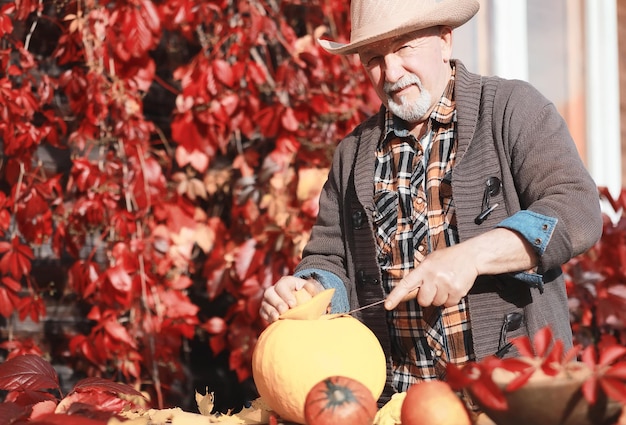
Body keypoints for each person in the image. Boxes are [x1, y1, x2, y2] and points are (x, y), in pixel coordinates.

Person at [259, 0, 603, 404]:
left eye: (404, 47)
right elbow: (329, 257)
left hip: (521, 401)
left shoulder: (512, 108)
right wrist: (307, 290)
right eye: (373, 58)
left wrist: (472, 256)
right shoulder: (352, 153)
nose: (390, 73)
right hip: (397, 407)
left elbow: (576, 208)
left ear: (444, 41)